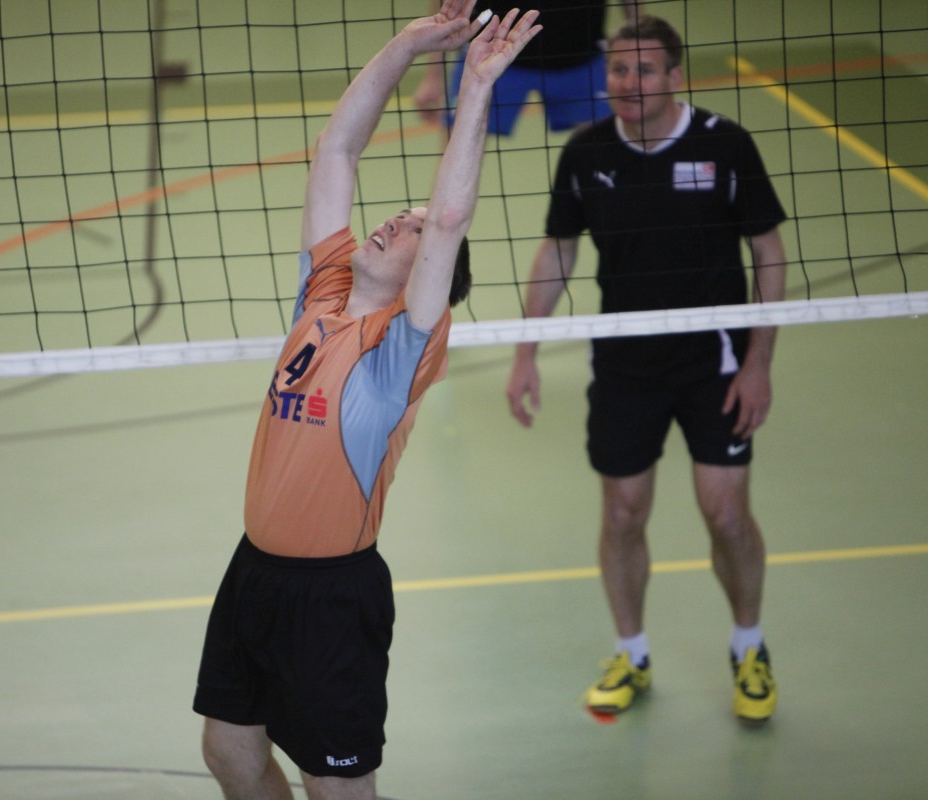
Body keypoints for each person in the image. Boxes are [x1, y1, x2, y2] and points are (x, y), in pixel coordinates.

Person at [193, 4, 542, 798]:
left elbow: (449, 218)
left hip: (331, 597)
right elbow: (338, 148)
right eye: (400, 215)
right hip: (253, 574)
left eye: (410, 229)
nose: (397, 221)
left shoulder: (399, 353)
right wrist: (411, 42)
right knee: (228, 751)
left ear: (429, 280)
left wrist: (476, 86)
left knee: (336, 787)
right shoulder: (322, 294)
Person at [505, 14, 788, 726]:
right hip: (625, 361)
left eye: (647, 70)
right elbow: (558, 251)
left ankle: (749, 646)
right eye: (620, 70)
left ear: (675, 76)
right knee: (623, 514)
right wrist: (525, 351)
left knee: (727, 515)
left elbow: (769, 253)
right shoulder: (586, 151)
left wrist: (758, 363)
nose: (631, 83)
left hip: (714, 359)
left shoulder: (725, 144)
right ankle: (630, 653)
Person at [415, 0, 641, 138]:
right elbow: (448, 4)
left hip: (580, 55)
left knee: (606, 154)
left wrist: (640, 47)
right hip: (490, 55)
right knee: (455, 152)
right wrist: (434, 75)